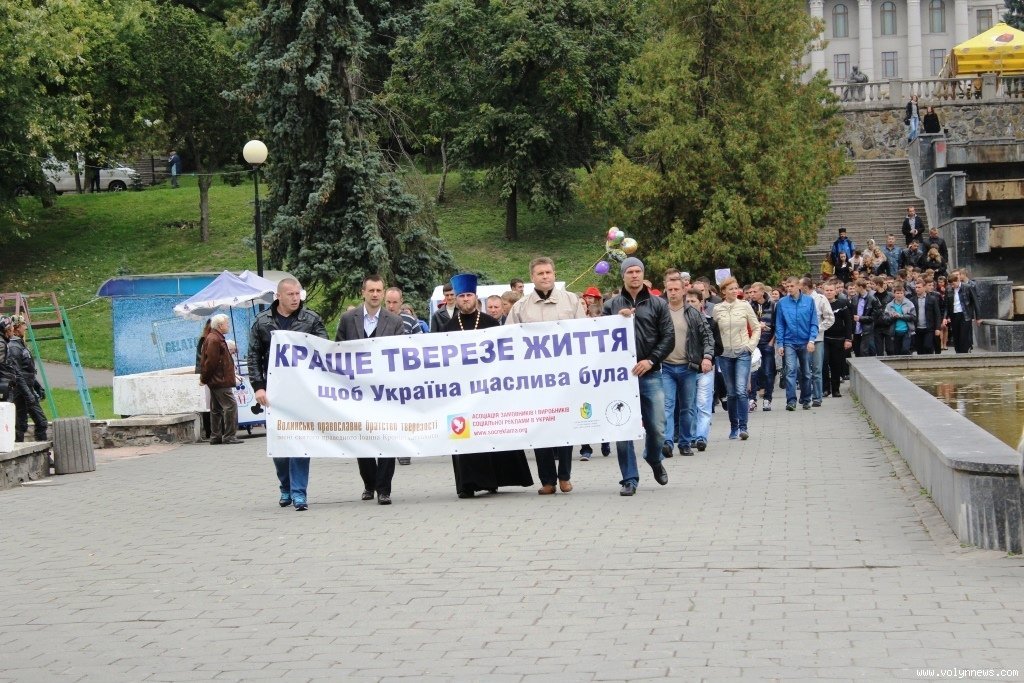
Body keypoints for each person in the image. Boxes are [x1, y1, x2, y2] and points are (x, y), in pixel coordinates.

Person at [443, 274, 535, 498]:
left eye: (469, 295)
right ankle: (468, 484)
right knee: (464, 437)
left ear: (475, 297)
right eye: (461, 296)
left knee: (490, 432)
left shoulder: (491, 324)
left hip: (489, 390)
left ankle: (494, 480)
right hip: (461, 393)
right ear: (455, 299)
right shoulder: (447, 327)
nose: (465, 299)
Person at [507, 256, 587, 494]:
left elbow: (584, 334)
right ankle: (547, 480)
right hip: (535, 379)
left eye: (548, 272)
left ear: (554, 274)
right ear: (532, 277)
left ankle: (564, 476)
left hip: (565, 376)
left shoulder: (571, 301)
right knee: (540, 427)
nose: (545, 277)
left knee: (565, 425)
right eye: (540, 273)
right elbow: (509, 339)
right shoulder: (520, 307)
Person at [248, 277, 328, 511]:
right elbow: (253, 355)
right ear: (279, 296)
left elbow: (325, 350)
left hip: (302, 392)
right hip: (274, 393)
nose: (295, 298)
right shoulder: (262, 322)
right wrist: (258, 386)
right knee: (280, 445)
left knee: (300, 441)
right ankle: (285, 486)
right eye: (290, 294)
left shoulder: (310, 320)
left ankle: (299, 492)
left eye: (298, 294)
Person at [603, 257, 674, 495]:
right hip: (621, 377)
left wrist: (651, 360)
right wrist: (616, 320)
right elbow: (600, 338)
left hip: (650, 373)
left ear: (643, 274)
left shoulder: (658, 304)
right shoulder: (611, 305)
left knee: (657, 427)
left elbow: (668, 337)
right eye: (630, 272)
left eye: (638, 271)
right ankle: (629, 478)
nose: (634, 275)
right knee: (622, 427)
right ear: (623, 275)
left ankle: (653, 457)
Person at [336, 275, 406, 503]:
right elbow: (338, 351)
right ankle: (369, 483)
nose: (375, 294)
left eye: (379, 290)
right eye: (371, 290)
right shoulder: (348, 319)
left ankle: (384, 489)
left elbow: (401, 354)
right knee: (362, 438)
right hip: (357, 392)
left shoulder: (394, 321)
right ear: (363, 292)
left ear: (383, 293)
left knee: (387, 437)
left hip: (386, 392)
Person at [661, 275, 714, 457]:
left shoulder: (693, 313)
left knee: (688, 407)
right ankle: (667, 442)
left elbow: (708, 336)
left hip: (688, 366)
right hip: (666, 367)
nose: (673, 293)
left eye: (676, 289)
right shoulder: (661, 312)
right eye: (670, 290)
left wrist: (707, 357)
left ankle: (685, 442)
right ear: (665, 290)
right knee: (667, 406)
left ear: (683, 290)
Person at [712, 277, 760, 438]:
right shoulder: (717, 309)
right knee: (731, 392)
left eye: (736, 288)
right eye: (731, 289)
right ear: (723, 291)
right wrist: (717, 349)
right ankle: (734, 427)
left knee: (741, 390)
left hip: (742, 352)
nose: (734, 291)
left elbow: (756, 327)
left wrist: (750, 346)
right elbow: (713, 331)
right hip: (725, 354)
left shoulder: (745, 305)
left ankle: (743, 428)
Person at [774, 276, 818, 411]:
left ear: (799, 286)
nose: (789, 289)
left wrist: (811, 340)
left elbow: (814, 322)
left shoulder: (809, 301)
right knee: (790, 371)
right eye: (787, 286)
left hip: (805, 341)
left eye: (792, 286)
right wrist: (780, 344)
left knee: (806, 372)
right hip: (789, 342)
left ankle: (806, 399)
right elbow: (780, 324)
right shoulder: (782, 303)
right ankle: (791, 401)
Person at [5, 316, 48, 442]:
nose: (26, 327)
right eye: (23, 324)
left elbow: (27, 370)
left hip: (27, 389)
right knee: (22, 425)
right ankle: (17, 450)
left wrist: (37, 386)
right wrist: (28, 394)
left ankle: (42, 451)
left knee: (33, 423)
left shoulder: (20, 344)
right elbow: (17, 373)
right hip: (20, 391)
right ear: (17, 328)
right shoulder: (13, 347)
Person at [200, 314, 240, 445]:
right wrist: (204, 378)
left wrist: (206, 379)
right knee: (231, 406)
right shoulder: (215, 339)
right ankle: (229, 436)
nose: (228, 326)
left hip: (217, 380)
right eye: (226, 324)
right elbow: (210, 362)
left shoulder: (214, 338)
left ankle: (215, 436)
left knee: (216, 409)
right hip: (220, 380)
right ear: (220, 325)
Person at [802, 277, 834, 407]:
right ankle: (805, 395)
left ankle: (817, 397)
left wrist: (817, 329)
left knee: (816, 369)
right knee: (802, 369)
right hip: (802, 339)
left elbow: (830, 318)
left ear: (805, 287)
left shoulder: (820, 299)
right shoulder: (799, 299)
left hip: (817, 339)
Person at [822, 282, 853, 398]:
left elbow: (848, 322)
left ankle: (835, 389)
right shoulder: (820, 304)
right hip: (824, 338)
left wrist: (848, 339)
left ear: (835, 291)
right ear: (823, 291)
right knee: (824, 363)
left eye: (831, 290)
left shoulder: (842, 304)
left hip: (838, 339)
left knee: (836, 364)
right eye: (827, 290)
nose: (829, 292)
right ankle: (825, 389)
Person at [944, 273, 978, 354]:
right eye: (950, 284)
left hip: (965, 314)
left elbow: (975, 302)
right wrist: (945, 317)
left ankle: (965, 352)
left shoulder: (967, 287)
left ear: (958, 280)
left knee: (964, 335)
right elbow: (946, 305)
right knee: (956, 335)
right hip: (954, 315)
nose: (952, 286)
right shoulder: (948, 289)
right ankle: (958, 352)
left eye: (953, 284)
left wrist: (978, 317)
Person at [194, 318, 213, 440]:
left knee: (211, 404)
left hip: (206, 374)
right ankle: (209, 431)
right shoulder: (204, 340)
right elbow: (204, 359)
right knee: (207, 404)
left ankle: (212, 430)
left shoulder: (209, 339)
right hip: (205, 374)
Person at [912, 280, 942, 355]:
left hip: (929, 328)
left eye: (919, 287)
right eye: (916, 287)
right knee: (919, 349)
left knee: (928, 346)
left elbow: (937, 314)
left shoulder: (932, 299)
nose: (917, 289)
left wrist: (938, 328)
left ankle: (930, 359)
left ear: (924, 287)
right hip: (917, 328)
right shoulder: (913, 300)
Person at [884, 287, 916, 356]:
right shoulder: (889, 305)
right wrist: (893, 317)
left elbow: (913, 317)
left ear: (904, 294)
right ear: (894, 294)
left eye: (901, 293)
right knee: (896, 352)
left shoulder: (909, 303)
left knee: (905, 350)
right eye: (897, 293)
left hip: (907, 331)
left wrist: (901, 316)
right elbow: (885, 319)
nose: (899, 295)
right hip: (895, 332)